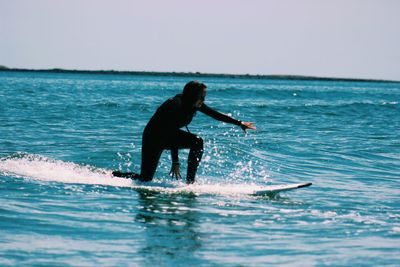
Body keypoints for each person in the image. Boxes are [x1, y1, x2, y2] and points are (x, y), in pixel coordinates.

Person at [113, 81, 256, 184]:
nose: (204, 99)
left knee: (197, 141)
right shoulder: (175, 105)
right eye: (202, 96)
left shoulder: (194, 104)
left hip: (168, 136)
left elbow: (214, 114)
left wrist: (239, 123)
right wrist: (175, 162)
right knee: (145, 179)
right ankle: (114, 175)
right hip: (153, 138)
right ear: (193, 95)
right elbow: (171, 133)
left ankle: (190, 182)